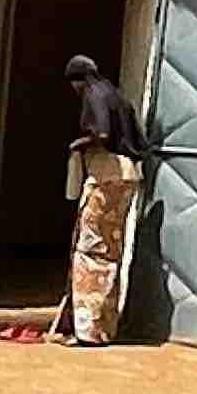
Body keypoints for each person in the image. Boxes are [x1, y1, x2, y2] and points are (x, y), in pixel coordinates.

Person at [58, 55, 149, 347]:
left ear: (79, 80)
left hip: (106, 175)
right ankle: (105, 326)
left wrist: (78, 144)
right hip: (127, 177)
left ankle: (88, 330)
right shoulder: (117, 97)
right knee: (110, 251)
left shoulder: (94, 94)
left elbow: (102, 132)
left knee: (91, 249)